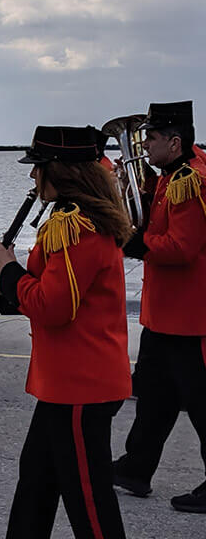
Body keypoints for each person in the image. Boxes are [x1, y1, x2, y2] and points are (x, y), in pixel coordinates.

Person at [0, 125, 132, 539]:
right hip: (66, 382)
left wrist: (9, 270)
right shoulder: (72, 220)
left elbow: (53, 307)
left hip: (80, 384)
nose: (33, 176)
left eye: (39, 167)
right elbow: (48, 290)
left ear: (61, 171)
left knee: (89, 502)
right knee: (36, 484)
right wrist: (3, 283)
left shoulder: (76, 226)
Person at [113, 100, 206, 513]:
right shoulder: (174, 175)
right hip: (166, 313)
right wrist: (139, 189)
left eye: (150, 138)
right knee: (154, 398)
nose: (144, 145)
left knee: (202, 405)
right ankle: (136, 468)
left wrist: (134, 243)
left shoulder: (191, 180)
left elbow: (181, 248)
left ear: (174, 142)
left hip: (190, 316)